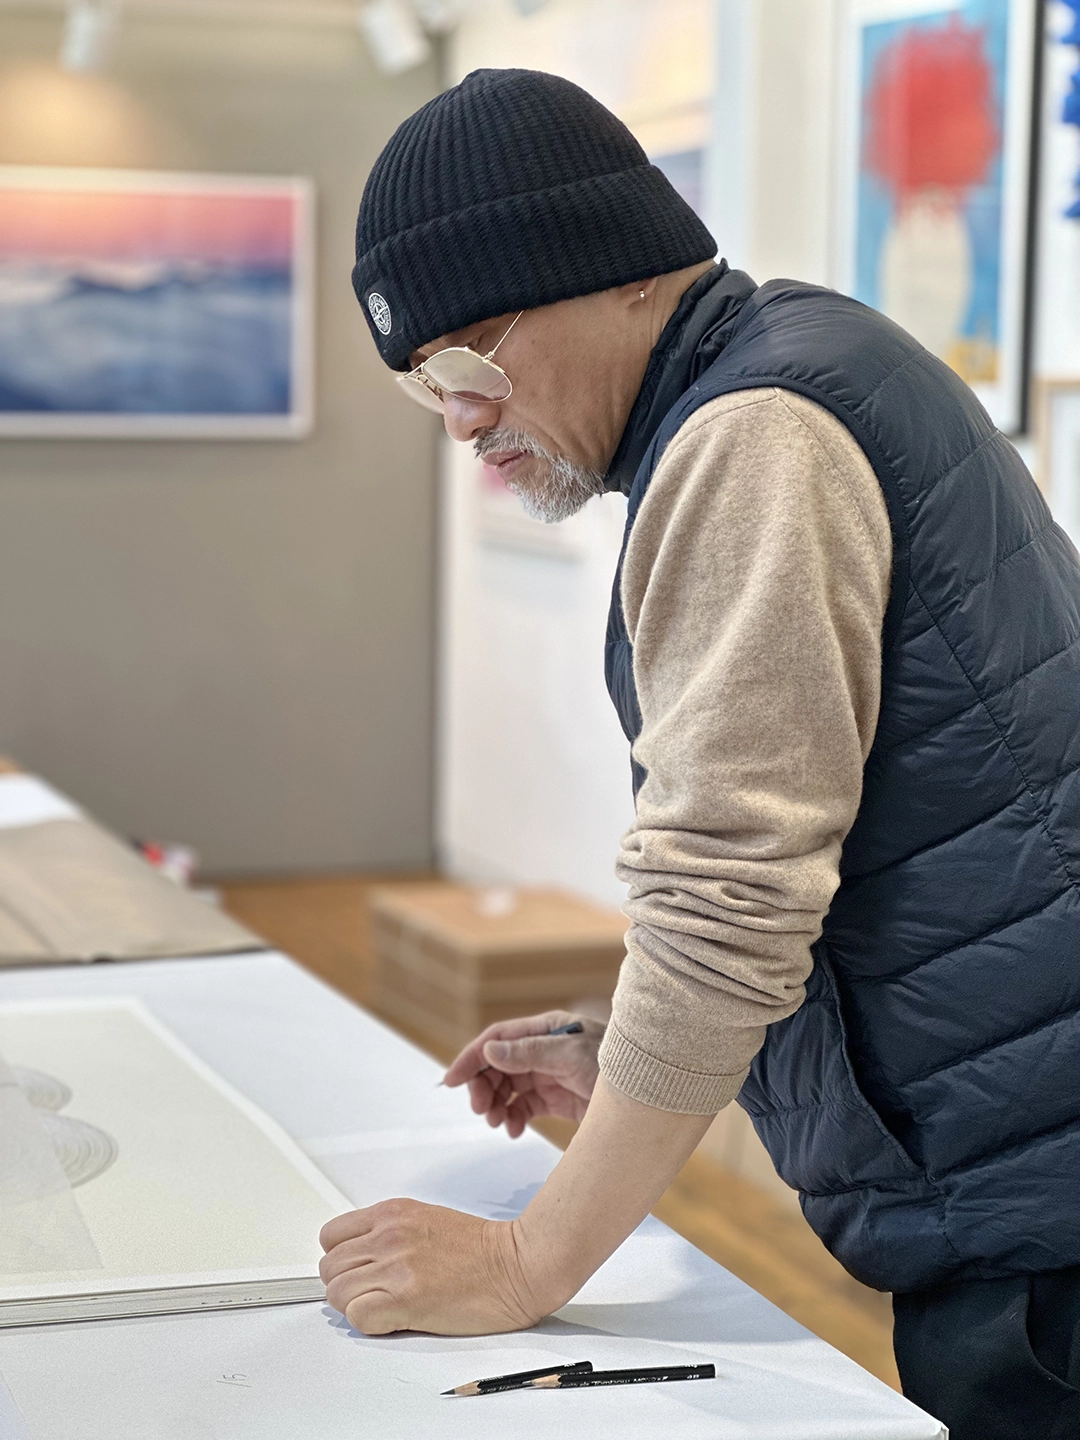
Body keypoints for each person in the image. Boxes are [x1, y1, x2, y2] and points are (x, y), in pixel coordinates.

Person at [318, 68, 1080, 1439]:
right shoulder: (801, 362)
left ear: (614, 270)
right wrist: (628, 1050)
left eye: (470, 361)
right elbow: (879, 845)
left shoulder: (751, 437)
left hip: (1044, 1209)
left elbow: (730, 899)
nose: (464, 419)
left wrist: (525, 1259)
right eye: (426, 386)